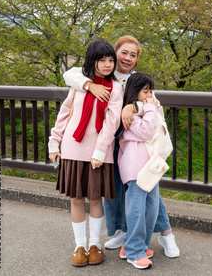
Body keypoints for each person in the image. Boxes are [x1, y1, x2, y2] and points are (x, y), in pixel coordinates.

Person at [63, 35, 180, 258]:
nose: (127, 58)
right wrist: (90, 86)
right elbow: (69, 75)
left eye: (133, 55)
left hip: (135, 142)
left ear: (136, 61)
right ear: (114, 53)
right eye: (123, 53)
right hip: (109, 143)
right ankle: (122, 231)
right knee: (113, 189)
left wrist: (132, 107)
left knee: (145, 186)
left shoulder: (138, 80)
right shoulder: (101, 73)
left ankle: (166, 232)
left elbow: (154, 106)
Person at [49, 39, 123, 267]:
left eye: (111, 59)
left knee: (95, 198)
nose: (108, 64)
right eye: (102, 60)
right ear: (93, 61)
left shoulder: (116, 88)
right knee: (76, 199)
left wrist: (100, 152)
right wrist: (54, 142)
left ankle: (95, 245)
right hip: (72, 148)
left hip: (98, 154)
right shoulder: (81, 84)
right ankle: (79, 246)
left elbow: (111, 124)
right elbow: (64, 113)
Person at [117, 72, 164, 269]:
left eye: (151, 91)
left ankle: (133, 245)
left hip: (149, 167)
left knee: (151, 209)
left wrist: (150, 107)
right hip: (135, 167)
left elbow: (160, 124)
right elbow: (145, 131)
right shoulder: (129, 115)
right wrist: (150, 108)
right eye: (145, 91)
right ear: (134, 92)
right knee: (137, 210)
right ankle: (134, 252)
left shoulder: (143, 109)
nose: (149, 95)